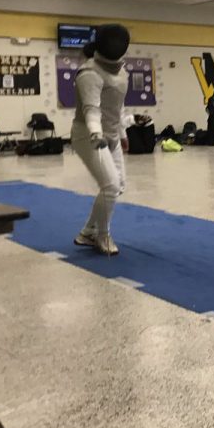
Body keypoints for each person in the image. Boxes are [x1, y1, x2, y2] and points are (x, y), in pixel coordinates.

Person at [71, 24, 131, 256]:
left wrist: (122, 134)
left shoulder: (121, 72)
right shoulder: (89, 73)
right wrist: (96, 133)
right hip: (88, 135)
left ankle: (87, 232)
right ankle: (103, 235)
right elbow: (91, 110)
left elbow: (117, 105)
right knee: (111, 186)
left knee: (118, 186)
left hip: (112, 135)